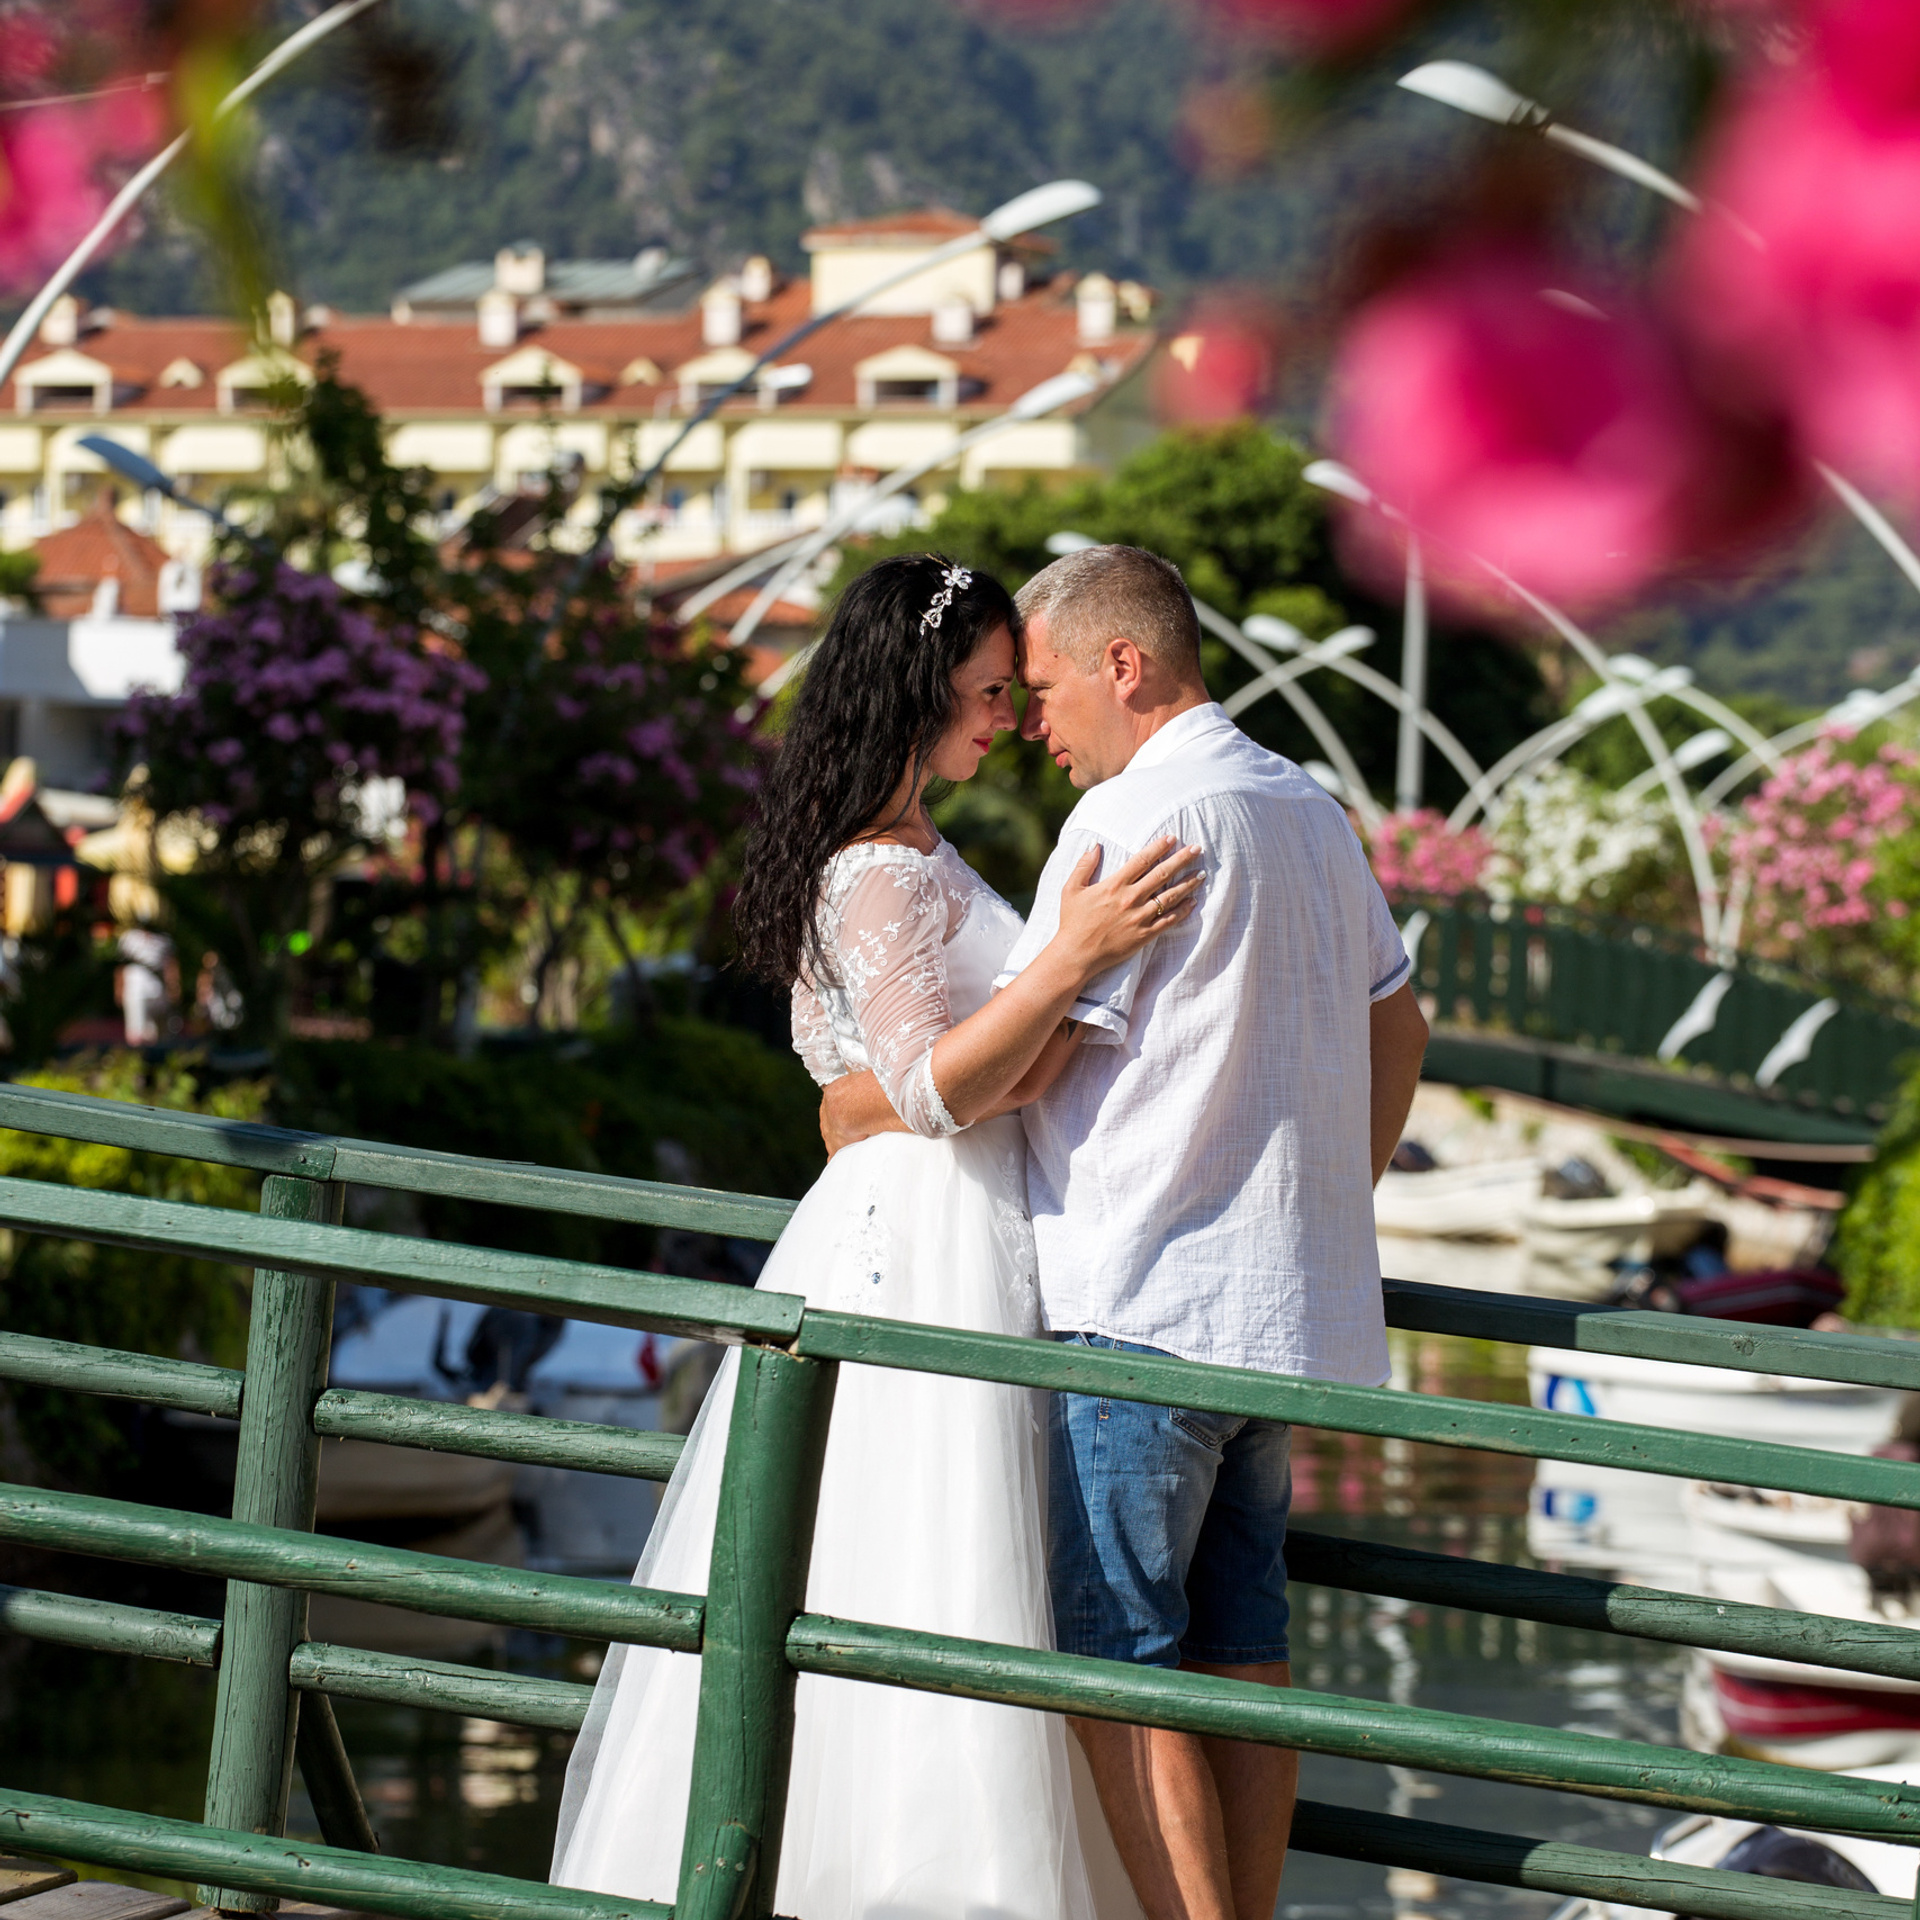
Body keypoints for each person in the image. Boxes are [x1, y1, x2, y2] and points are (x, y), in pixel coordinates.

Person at [550, 552, 1200, 1918]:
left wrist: (991, 1064)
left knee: (953, 1545)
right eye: (984, 692)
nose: (1008, 720)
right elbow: (925, 1088)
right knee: (926, 1538)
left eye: (1017, 692)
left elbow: (904, 1089)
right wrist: (1070, 965)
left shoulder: (918, 854)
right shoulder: (879, 875)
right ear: (915, 691)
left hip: (948, 1212)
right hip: (923, 1236)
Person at [823, 544, 1430, 1920]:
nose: (1033, 720)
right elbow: (1403, 1020)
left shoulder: (1127, 830)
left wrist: (862, 1100)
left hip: (1134, 1302)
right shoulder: (1312, 810)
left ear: (1124, 664)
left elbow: (1022, 1070)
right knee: (1243, 1652)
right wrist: (1339, 1190)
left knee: (1119, 1667)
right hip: (1280, 1314)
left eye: (1040, 685)